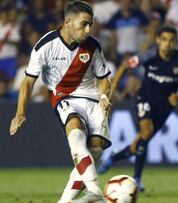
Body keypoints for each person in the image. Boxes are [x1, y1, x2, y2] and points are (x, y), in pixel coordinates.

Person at [9, 1, 111, 202]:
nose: (88, 30)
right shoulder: (45, 46)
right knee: (74, 130)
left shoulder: (93, 47)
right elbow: (28, 82)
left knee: (94, 151)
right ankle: (95, 191)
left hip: (93, 98)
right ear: (67, 21)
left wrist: (104, 95)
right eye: (84, 24)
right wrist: (20, 113)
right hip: (64, 96)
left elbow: (103, 79)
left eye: (90, 24)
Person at [97, 25, 178, 191]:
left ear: (176, 42)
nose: (168, 44)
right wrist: (111, 95)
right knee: (146, 133)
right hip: (144, 99)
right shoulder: (148, 56)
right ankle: (137, 179)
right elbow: (124, 66)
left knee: (140, 143)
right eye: (164, 40)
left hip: (165, 107)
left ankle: (113, 159)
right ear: (158, 40)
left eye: (172, 40)